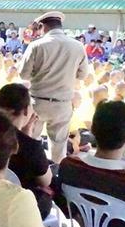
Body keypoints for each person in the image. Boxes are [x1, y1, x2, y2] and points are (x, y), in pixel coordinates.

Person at [18, 11, 89, 162]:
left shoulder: (36, 45)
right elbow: (83, 75)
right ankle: (55, 172)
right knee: (58, 146)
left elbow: (23, 74)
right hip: (62, 103)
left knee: (30, 141)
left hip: (38, 102)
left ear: (43, 27)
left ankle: (28, 171)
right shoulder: (78, 46)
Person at [0, 83, 55, 219]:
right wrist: (29, 139)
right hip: (21, 207)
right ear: (26, 111)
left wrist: (26, 134)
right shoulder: (31, 146)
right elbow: (46, 181)